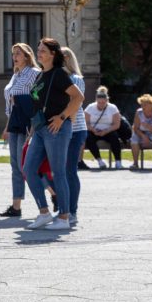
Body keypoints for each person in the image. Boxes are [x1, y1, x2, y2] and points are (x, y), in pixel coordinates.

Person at [23, 38, 84, 231]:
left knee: (59, 172)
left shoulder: (59, 74)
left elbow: (78, 97)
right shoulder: (41, 75)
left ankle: (64, 216)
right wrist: (33, 130)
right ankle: (44, 212)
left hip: (56, 128)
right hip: (40, 128)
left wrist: (63, 117)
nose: (39, 53)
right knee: (29, 168)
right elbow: (38, 104)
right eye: (38, 49)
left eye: (43, 51)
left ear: (53, 54)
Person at [0, 43, 41, 218]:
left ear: (27, 56)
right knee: (15, 166)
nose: (15, 56)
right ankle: (16, 206)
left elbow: (36, 100)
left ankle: (53, 195)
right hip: (14, 124)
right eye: (13, 53)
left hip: (28, 125)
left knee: (27, 166)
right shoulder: (15, 75)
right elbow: (12, 104)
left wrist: (33, 126)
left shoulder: (34, 74)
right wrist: (7, 127)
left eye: (18, 53)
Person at [61, 47, 87, 224]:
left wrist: (64, 121)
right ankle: (63, 208)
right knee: (58, 171)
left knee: (70, 170)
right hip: (61, 129)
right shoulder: (58, 78)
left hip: (75, 129)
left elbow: (75, 104)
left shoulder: (75, 79)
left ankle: (72, 210)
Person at [84, 86, 123, 169]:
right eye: (99, 103)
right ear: (96, 101)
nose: (101, 105)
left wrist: (106, 131)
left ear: (107, 101)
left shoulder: (113, 108)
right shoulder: (90, 107)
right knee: (88, 137)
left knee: (114, 137)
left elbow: (117, 124)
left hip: (108, 131)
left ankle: (118, 161)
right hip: (94, 131)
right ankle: (99, 161)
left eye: (103, 103)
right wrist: (93, 129)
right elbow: (85, 123)